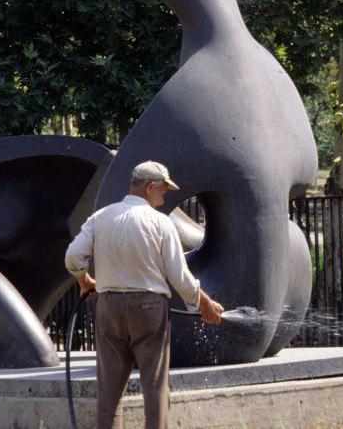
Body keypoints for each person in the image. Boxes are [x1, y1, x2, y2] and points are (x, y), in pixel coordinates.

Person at [65, 160, 224, 429]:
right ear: (150, 187)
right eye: (162, 191)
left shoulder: (101, 217)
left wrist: (84, 280)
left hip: (109, 306)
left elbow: (72, 257)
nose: (163, 199)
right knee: (155, 387)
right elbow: (179, 276)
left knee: (109, 391)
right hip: (149, 309)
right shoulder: (160, 223)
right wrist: (204, 303)